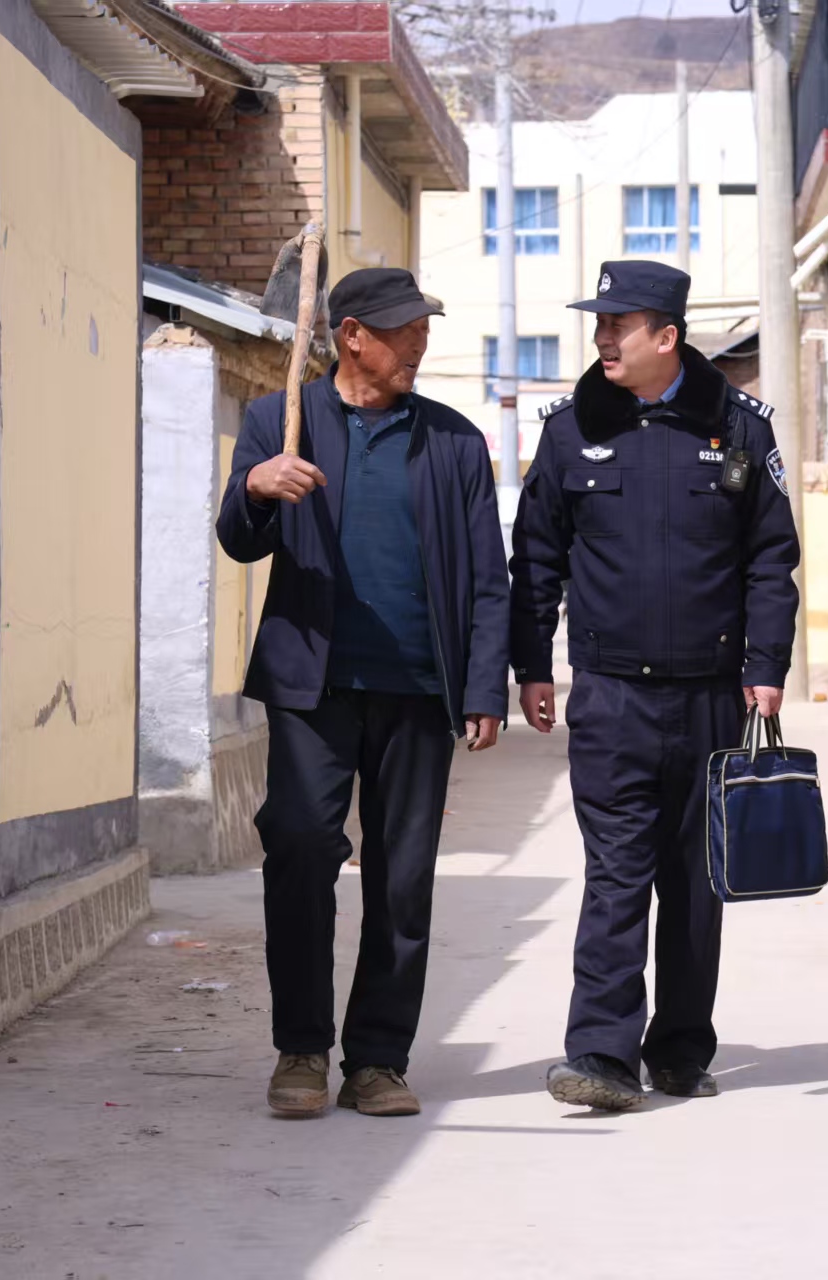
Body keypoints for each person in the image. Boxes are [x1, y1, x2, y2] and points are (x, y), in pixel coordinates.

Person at [216, 266, 510, 1119]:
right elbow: (238, 539)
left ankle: (378, 1059)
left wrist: (483, 685)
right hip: (312, 685)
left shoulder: (453, 443)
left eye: (423, 327)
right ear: (352, 336)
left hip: (419, 688)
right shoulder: (283, 421)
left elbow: (486, 577)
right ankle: (302, 1049)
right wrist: (256, 487)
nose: (421, 342)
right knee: (301, 848)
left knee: (403, 876)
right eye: (404, 329)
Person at [510, 260, 800, 1112]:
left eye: (619, 324)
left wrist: (766, 668)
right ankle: (600, 1053)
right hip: (611, 697)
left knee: (696, 883)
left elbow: (770, 558)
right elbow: (537, 557)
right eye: (599, 324)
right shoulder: (571, 432)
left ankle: (678, 1049)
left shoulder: (738, 428)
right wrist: (533, 666)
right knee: (616, 875)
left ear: (666, 337)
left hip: (713, 695)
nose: (602, 338)